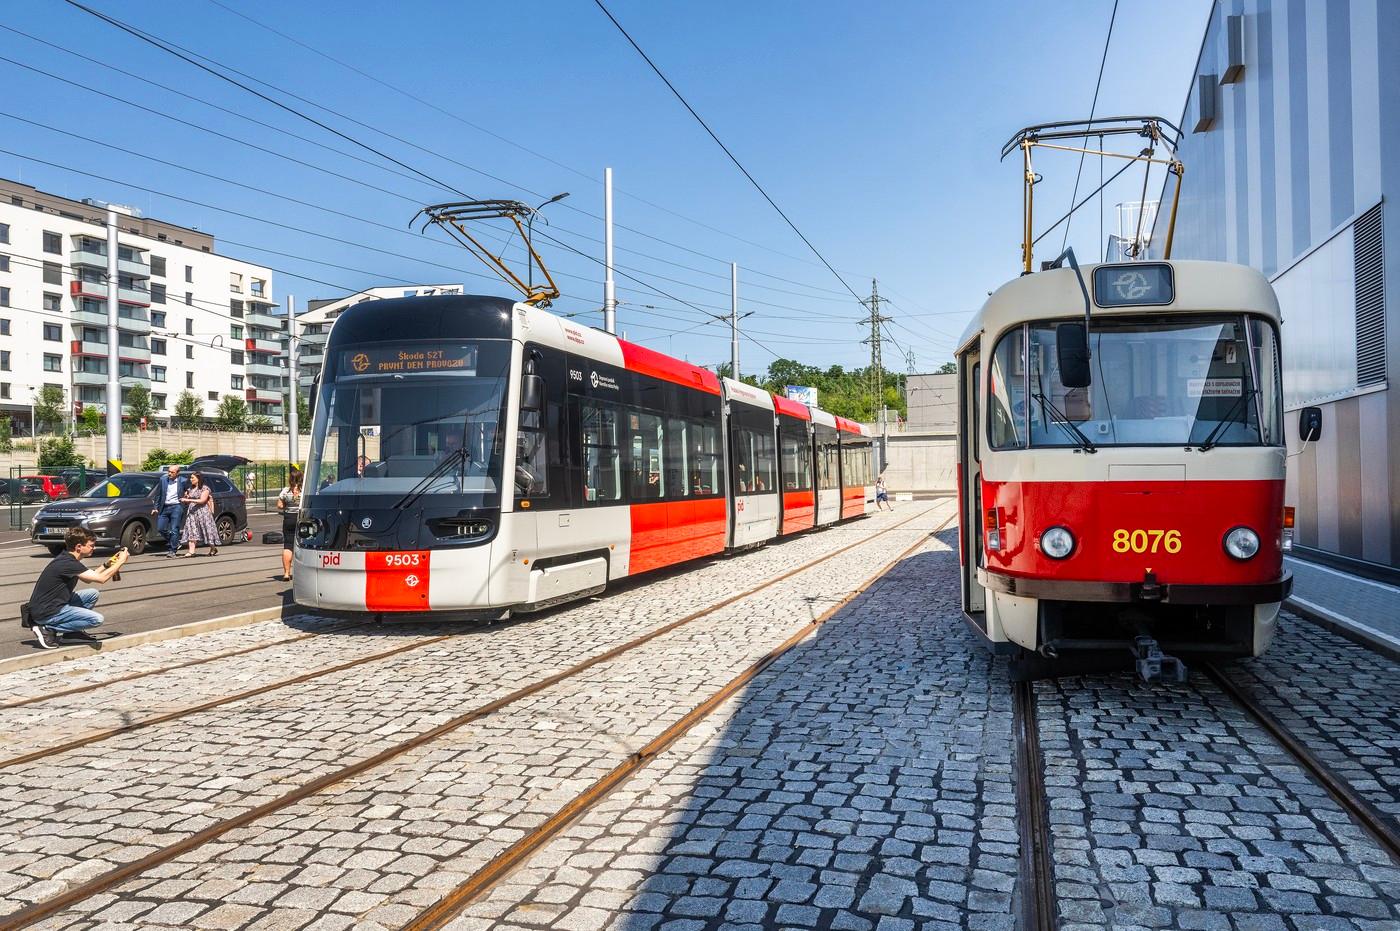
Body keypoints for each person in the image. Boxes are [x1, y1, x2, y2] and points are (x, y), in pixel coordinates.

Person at [26, 527, 127, 649]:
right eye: (91, 545)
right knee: (96, 619)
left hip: (50, 605)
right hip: (47, 611)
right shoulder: (68, 563)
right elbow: (101, 579)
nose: (93, 548)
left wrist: (109, 563)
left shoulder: (67, 559)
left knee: (92, 594)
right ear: (79, 547)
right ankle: (47, 628)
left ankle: (71, 633)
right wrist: (121, 562)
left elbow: (89, 579)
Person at [178, 471, 220, 557]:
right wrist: (186, 498)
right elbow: (187, 501)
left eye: (192, 478)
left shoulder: (205, 489)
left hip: (203, 512)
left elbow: (202, 500)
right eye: (190, 478)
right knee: (191, 530)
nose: (191, 479)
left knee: (206, 529)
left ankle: (213, 547)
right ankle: (191, 551)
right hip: (192, 512)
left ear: (198, 479)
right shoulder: (190, 489)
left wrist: (189, 500)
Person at [156, 464, 190, 558]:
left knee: (174, 529)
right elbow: (158, 494)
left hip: (177, 507)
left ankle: (172, 550)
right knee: (160, 528)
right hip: (164, 507)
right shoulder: (163, 480)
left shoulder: (183, 481)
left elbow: (189, 490)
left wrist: (187, 494)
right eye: (169, 471)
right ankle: (175, 542)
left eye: (172, 472)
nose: (169, 474)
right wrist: (156, 507)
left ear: (178, 473)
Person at [277, 470, 303, 582]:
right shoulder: (304, 490)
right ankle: (302, 573)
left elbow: (279, 505)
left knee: (288, 546)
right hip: (302, 519)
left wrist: (287, 506)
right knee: (303, 545)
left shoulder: (285, 491)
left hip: (288, 519)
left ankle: (287, 573)